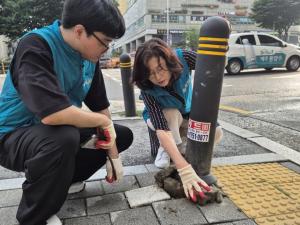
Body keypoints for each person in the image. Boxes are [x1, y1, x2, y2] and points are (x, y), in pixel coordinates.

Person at [0, 0, 133, 224]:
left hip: (53, 130)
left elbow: (101, 107)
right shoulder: (36, 46)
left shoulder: (88, 59)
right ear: (80, 31)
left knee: (121, 135)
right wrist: (101, 122)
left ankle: (65, 180)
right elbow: (52, 114)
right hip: (13, 135)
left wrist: (113, 155)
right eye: (106, 42)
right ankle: (35, 217)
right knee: (63, 138)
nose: (107, 50)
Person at [132, 38, 223, 201]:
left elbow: (212, 64)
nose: (158, 77)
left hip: (187, 111)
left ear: (169, 61)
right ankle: (169, 149)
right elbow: (161, 127)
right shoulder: (147, 89)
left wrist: (220, 48)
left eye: (160, 68)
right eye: (150, 73)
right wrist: (184, 169)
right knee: (171, 114)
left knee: (216, 133)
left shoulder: (184, 57)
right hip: (162, 117)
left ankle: (182, 151)